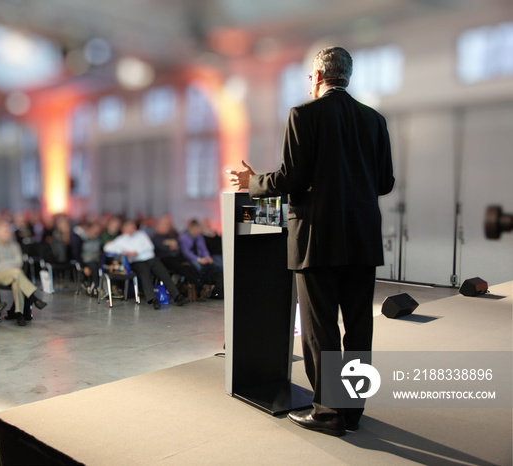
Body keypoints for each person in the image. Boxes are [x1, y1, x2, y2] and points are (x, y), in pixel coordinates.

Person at [228, 46, 394, 436]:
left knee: (320, 329)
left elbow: (290, 180)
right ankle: (352, 411)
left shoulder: (303, 114)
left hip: (317, 239)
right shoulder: (374, 120)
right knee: (358, 326)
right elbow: (384, 182)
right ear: (346, 77)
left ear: (317, 77)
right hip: (362, 238)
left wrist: (253, 182)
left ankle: (327, 413)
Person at [103, 220, 189, 309]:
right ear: (124, 228)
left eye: (133, 226)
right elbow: (107, 248)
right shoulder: (121, 240)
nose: (132, 228)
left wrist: (136, 252)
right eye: (130, 226)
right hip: (137, 262)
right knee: (145, 275)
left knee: (164, 274)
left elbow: (150, 246)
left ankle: (177, 296)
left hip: (151, 259)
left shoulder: (141, 235)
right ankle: (153, 299)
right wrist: (123, 251)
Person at [0, 221, 48, 327]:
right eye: (5, 231)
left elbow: (19, 262)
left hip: (13, 275)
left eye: (9, 231)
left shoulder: (14, 245)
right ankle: (33, 298)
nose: (9, 233)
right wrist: (11, 265)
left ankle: (19, 313)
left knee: (16, 280)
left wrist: (2, 263)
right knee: (17, 272)